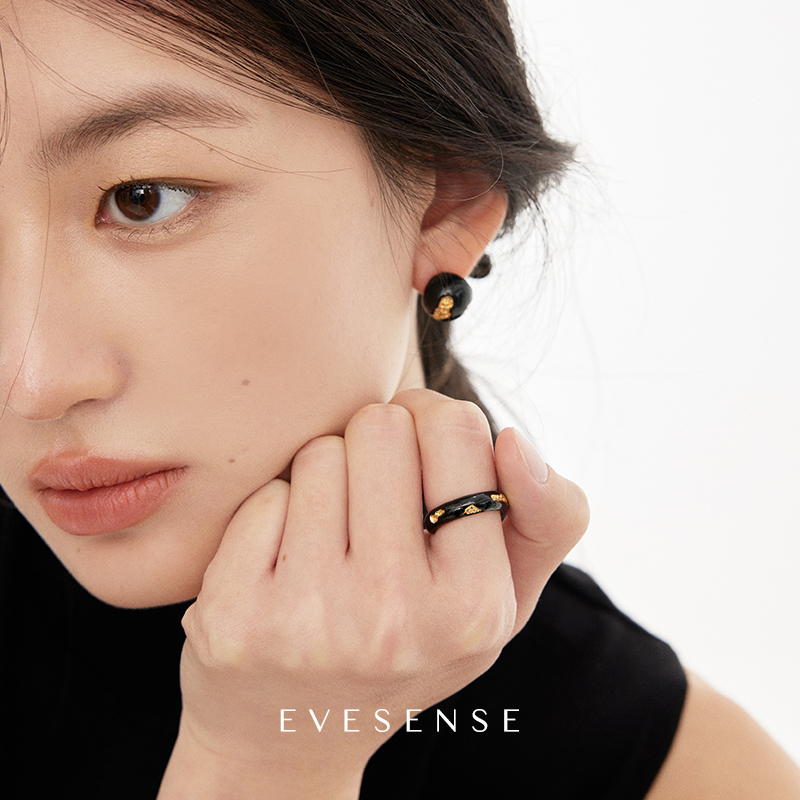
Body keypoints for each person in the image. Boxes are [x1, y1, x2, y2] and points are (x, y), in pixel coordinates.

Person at [0, 1, 797, 797]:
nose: (29, 384)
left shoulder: (676, 773)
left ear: (445, 200)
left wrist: (278, 757)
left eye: (142, 197)